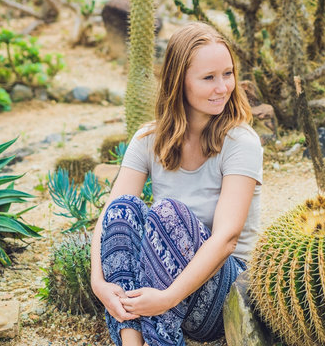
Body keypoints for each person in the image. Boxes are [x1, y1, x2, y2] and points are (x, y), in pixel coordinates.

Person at [90, 21, 263, 346]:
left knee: (168, 214)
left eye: (228, 74)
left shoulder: (241, 142)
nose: (223, 87)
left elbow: (227, 238)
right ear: (178, 81)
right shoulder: (147, 139)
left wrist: (168, 297)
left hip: (225, 292)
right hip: (163, 284)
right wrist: (98, 283)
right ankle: (132, 343)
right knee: (123, 208)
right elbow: (109, 216)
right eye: (209, 78)